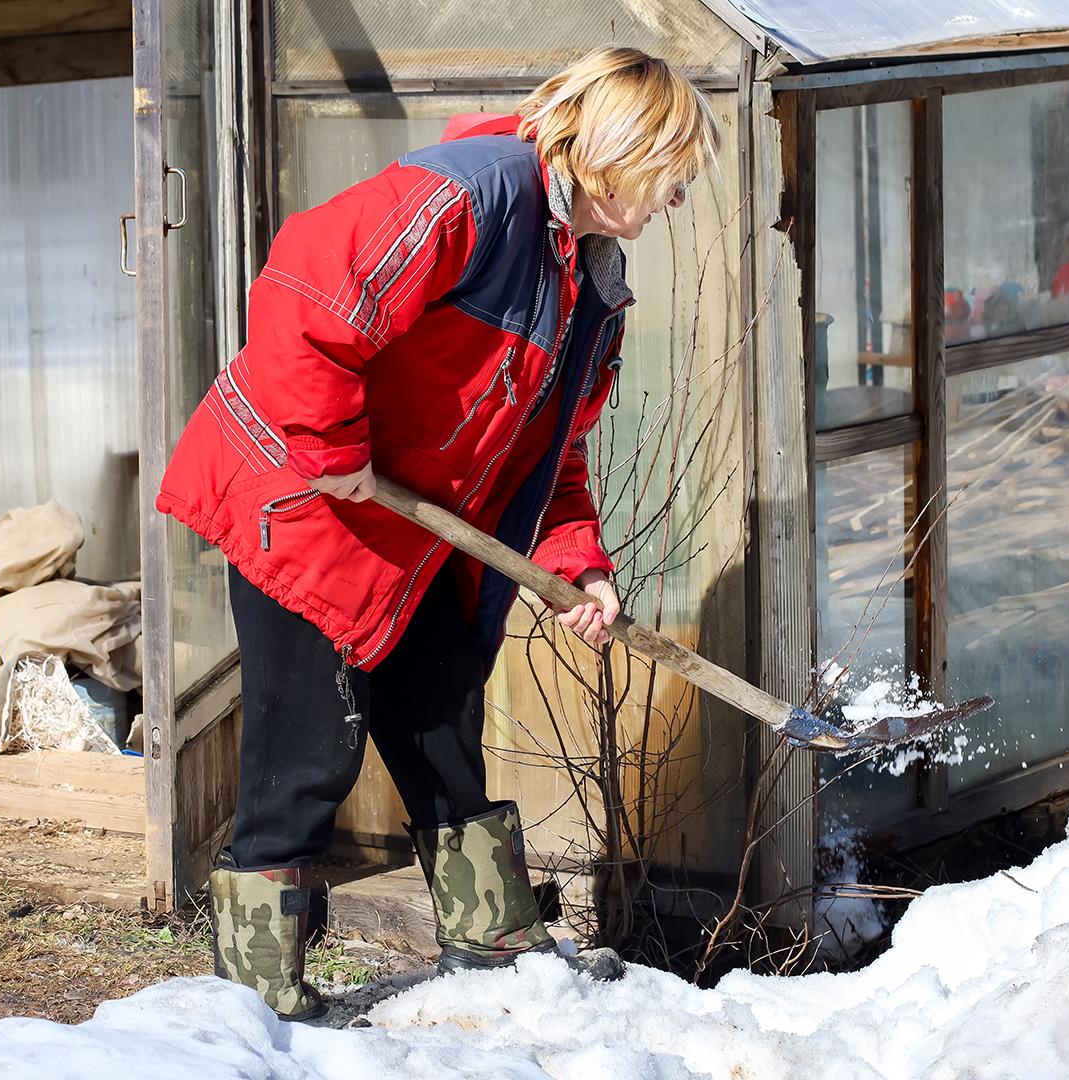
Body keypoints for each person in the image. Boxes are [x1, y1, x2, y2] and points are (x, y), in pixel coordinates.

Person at [155, 46, 720, 1021]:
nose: (676, 200)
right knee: (308, 751)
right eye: (671, 175)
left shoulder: (592, 283)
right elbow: (307, 290)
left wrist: (578, 565)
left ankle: (499, 947)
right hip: (311, 504)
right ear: (621, 151)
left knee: (441, 719)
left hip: (422, 533)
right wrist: (331, 443)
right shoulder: (471, 196)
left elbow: (551, 455)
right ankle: (254, 998)